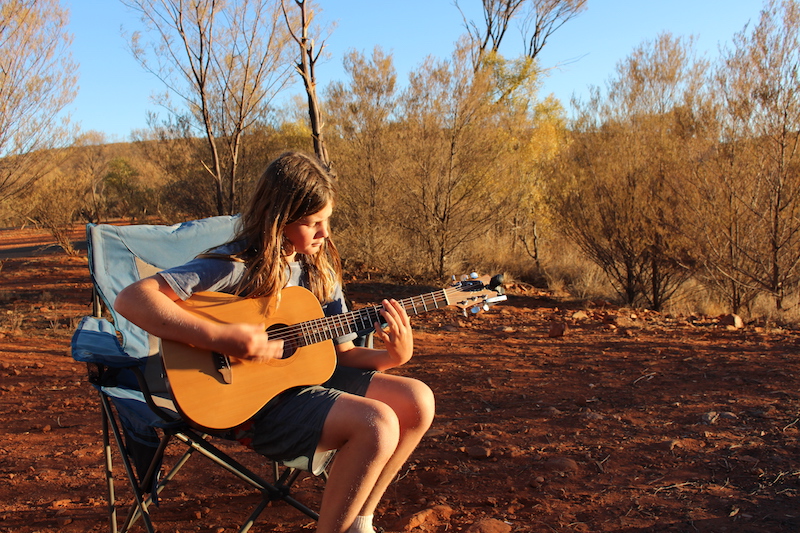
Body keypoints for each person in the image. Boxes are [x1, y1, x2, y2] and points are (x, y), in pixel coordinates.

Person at [114, 151, 436, 533]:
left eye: (327, 220)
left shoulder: (319, 268)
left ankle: (358, 522)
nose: (324, 233)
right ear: (279, 218)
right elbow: (131, 299)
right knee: (377, 424)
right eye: (313, 223)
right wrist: (222, 337)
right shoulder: (235, 265)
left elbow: (343, 355)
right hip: (247, 404)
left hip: (303, 384)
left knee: (417, 400)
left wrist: (392, 356)